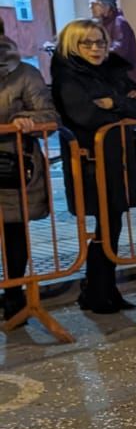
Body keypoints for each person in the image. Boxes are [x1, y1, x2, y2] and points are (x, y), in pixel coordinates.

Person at [51, 19, 136, 314]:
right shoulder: (68, 76)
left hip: (116, 160)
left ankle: (104, 288)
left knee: (113, 225)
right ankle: (96, 289)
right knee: (102, 227)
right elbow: (86, 116)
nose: (96, 49)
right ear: (73, 45)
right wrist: (122, 106)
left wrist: (114, 103)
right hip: (90, 163)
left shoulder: (112, 71)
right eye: (88, 43)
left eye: (101, 42)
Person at [0, 36, 59, 322]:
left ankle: (14, 295)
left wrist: (25, 120)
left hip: (11, 164)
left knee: (13, 230)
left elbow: (49, 114)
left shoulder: (24, 73)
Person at [88, 0, 136, 87]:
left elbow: (119, 50)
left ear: (107, 6)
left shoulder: (120, 23)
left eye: (94, 4)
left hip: (127, 78)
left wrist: (96, 53)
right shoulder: (103, 24)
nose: (91, 8)